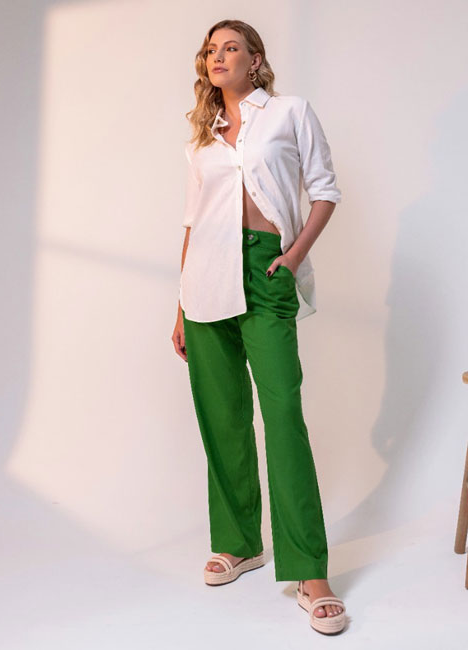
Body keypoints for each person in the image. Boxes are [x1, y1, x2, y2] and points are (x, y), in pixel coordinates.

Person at [171, 19, 347, 635]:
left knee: (283, 417)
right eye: (210, 50)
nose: (218, 57)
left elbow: (325, 191)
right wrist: (179, 306)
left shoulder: (289, 112)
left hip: (266, 268)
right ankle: (239, 542)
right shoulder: (202, 138)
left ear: (255, 59)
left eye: (231, 48)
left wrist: (292, 258)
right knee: (221, 417)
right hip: (204, 277)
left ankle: (310, 570)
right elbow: (192, 222)